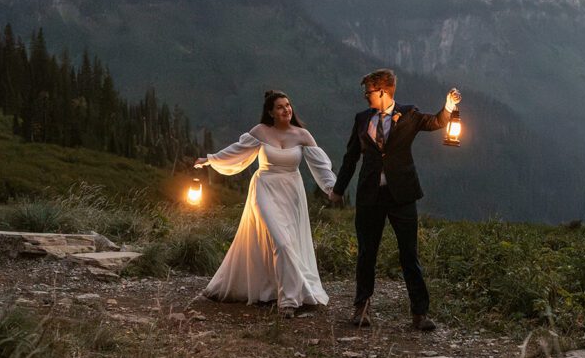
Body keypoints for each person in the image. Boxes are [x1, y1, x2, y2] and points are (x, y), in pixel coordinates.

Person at [330, 69, 460, 331]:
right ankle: (362, 307)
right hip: (370, 196)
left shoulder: (409, 114)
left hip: (402, 195)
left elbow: (435, 122)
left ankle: (419, 313)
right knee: (367, 252)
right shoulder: (361, 119)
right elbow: (351, 157)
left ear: (381, 91)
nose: (365, 96)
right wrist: (338, 188)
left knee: (409, 253)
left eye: (368, 91)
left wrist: (448, 107)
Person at [194, 90, 337, 317]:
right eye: (280, 107)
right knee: (280, 242)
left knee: (288, 242)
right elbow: (236, 151)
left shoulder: (302, 135)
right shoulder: (261, 132)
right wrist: (210, 160)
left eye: (288, 105)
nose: (286, 110)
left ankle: (277, 289)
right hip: (265, 188)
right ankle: (288, 301)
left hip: (292, 192)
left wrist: (332, 189)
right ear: (270, 112)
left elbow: (321, 166)